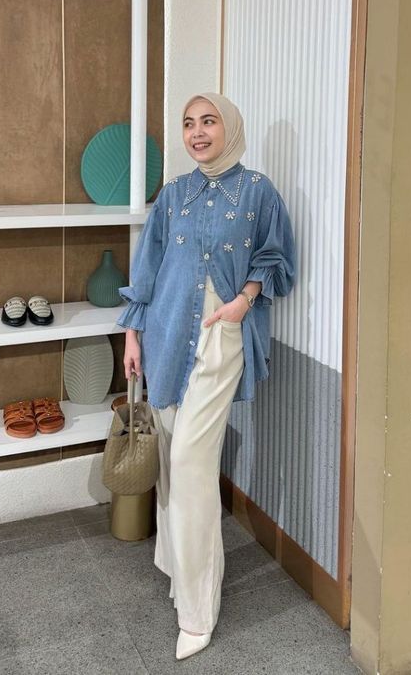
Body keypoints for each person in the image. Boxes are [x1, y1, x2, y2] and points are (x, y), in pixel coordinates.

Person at [116, 92, 296, 660]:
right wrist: (132, 335)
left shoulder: (258, 191)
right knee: (172, 458)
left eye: (208, 121)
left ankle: (197, 611)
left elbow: (276, 258)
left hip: (222, 338)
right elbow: (148, 268)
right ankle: (176, 564)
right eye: (189, 123)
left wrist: (245, 299)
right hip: (166, 335)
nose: (197, 132)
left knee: (192, 463)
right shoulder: (174, 194)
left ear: (230, 128)